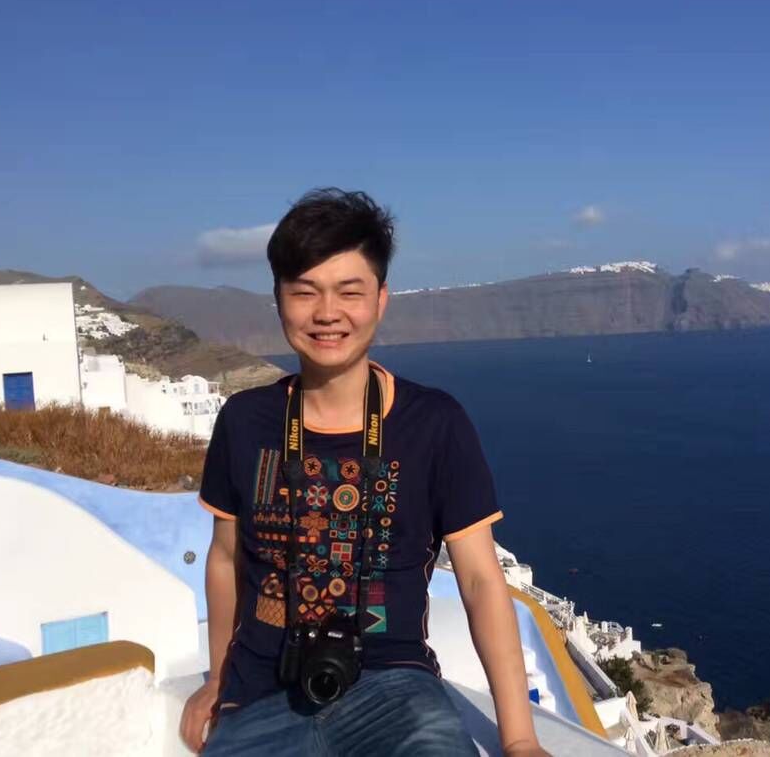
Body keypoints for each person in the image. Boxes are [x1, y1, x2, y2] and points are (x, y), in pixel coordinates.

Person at [180, 188, 547, 756]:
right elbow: (226, 558)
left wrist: (520, 739)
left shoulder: (434, 422)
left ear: (381, 299)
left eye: (349, 292)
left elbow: (479, 579)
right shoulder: (245, 421)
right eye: (304, 292)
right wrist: (217, 678)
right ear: (279, 300)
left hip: (394, 690)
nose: (327, 313)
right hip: (259, 697)